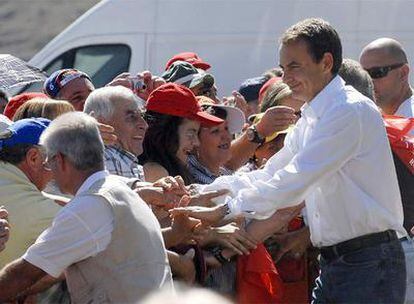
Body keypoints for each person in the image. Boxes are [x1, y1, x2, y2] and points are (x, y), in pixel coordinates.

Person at [178, 18, 407, 303]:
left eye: (294, 66)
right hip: (344, 264)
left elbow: (294, 181)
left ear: (325, 62)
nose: (286, 78)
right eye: (284, 68)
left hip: (367, 264)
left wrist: (224, 207)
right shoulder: (315, 115)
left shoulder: (349, 110)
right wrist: (203, 194)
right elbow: (272, 172)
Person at [0, 112, 173, 303]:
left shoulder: (89, 208)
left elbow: (24, 273)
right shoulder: (117, 192)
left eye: (50, 162)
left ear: (61, 160)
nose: (51, 175)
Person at [359, 38, 414, 303]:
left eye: (377, 74)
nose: (369, 83)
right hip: (377, 256)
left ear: (404, 73)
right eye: (363, 75)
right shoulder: (368, 121)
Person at [141, 83, 223, 184]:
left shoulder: (174, 167)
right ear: (167, 131)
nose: (197, 142)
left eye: (196, 133)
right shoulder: (154, 171)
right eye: (191, 133)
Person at [360, 38, 413, 118]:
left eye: (377, 72)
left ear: (403, 73)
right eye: (363, 74)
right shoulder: (369, 117)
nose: (369, 81)